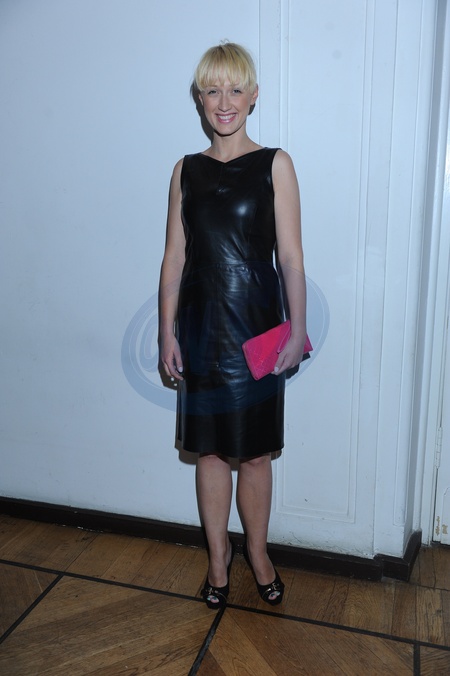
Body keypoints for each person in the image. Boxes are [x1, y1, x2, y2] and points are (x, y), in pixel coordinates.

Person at [159, 42, 306, 609]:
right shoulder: (185, 171)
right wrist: (166, 332)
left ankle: (259, 554)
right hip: (201, 332)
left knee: (257, 454)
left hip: (257, 331)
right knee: (212, 454)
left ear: (253, 96)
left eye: (236, 90)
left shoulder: (276, 164)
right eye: (213, 90)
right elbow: (174, 257)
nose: (225, 102)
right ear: (200, 98)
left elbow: (290, 257)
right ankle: (218, 559)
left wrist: (296, 327)